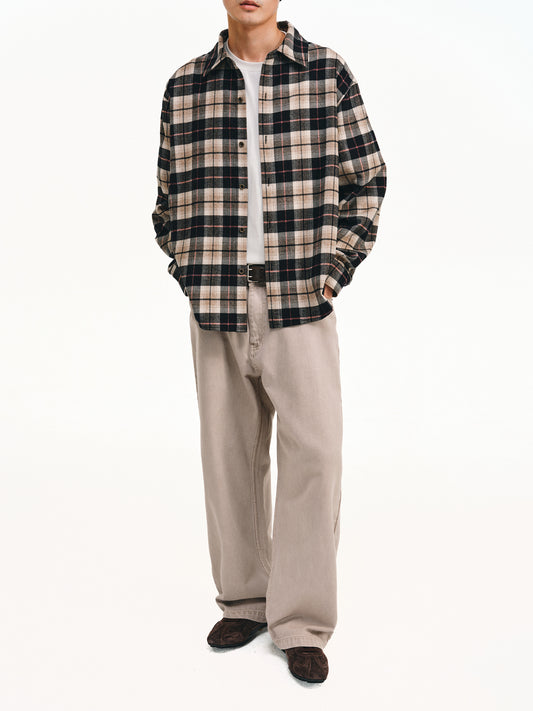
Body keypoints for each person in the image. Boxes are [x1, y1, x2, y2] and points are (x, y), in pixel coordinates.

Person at [152, 0, 386, 684]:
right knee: (229, 456)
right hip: (217, 300)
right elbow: (167, 200)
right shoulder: (186, 84)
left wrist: (332, 270)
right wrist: (191, 272)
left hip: (301, 299)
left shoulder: (325, 72)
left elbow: (368, 179)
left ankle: (301, 620)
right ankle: (245, 600)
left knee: (315, 454)